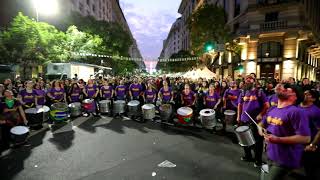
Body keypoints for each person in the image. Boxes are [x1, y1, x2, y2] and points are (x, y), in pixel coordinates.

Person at [259, 84, 310, 180]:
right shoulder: (273, 109)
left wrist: (278, 139)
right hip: (270, 154)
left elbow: (305, 138)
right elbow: (261, 124)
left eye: (286, 89)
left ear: (294, 96)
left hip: (285, 158)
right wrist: (260, 129)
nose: (283, 89)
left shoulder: (296, 112)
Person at [237, 75, 269, 167]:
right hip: (244, 119)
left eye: (250, 79)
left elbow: (267, 105)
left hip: (256, 121)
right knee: (244, 139)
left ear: (254, 81)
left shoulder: (259, 92)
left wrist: (261, 114)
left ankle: (258, 160)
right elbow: (239, 105)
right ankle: (248, 156)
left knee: (257, 142)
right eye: (246, 79)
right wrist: (238, 116)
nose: (248, 80)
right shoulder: (242, 92)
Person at [299, 90, 320, 179]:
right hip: (297, 141)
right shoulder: (296, 106)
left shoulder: (315, 111)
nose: (305, 95)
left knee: (310, 168)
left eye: (309, 95)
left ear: (314, 99)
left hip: (309, 143)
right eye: (304, 93)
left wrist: (312, 144)